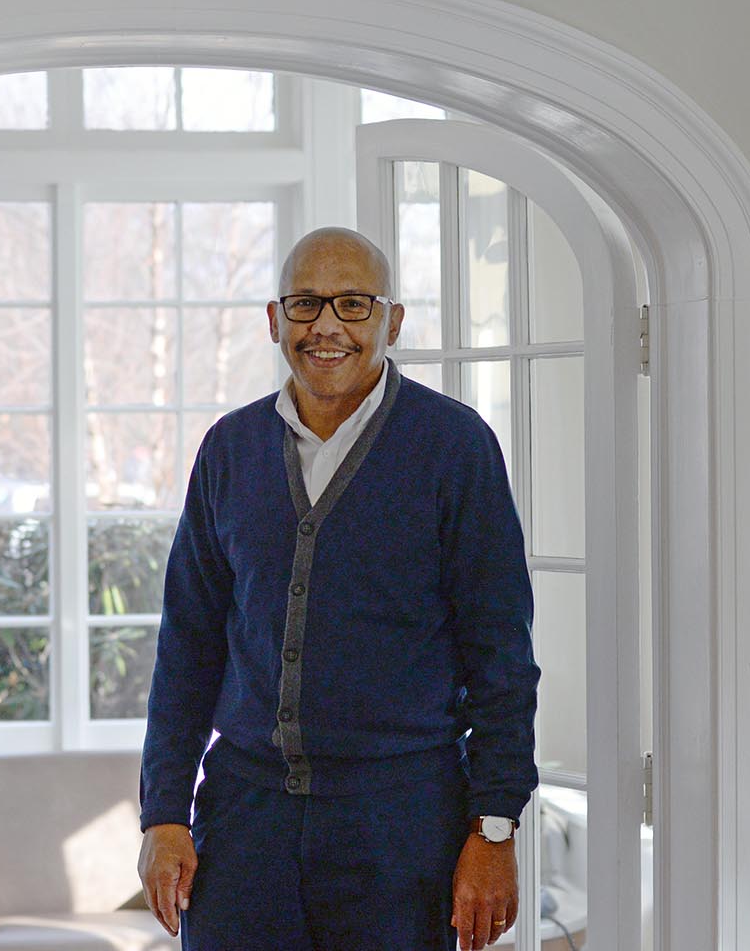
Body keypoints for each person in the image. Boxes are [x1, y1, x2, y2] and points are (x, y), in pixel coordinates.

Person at [137, 227, 539, 951]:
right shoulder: (229, 450)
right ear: (273, 320)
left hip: (401, 826)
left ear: (393, 321)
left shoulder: (454, 447)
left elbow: (501, 660)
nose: (326, 326)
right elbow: (188, 645)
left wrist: (494, 826)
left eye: (354, 305)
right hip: (244, 819)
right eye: (306, 303)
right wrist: (164, 813)